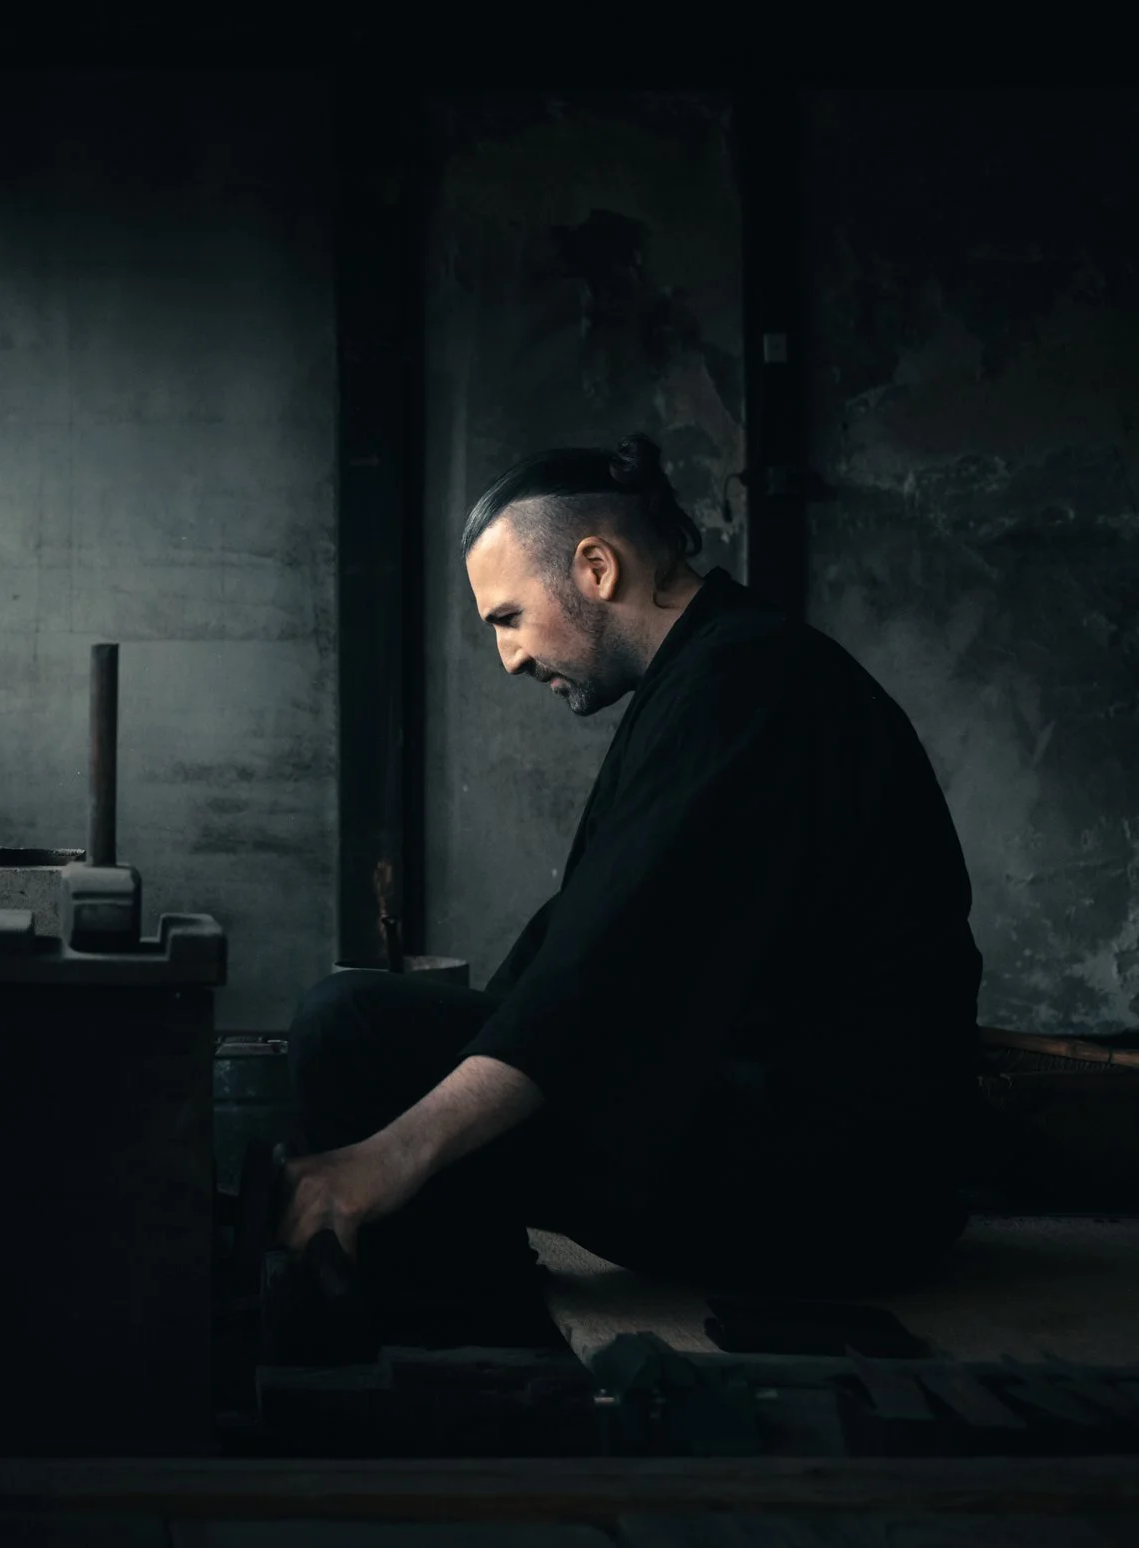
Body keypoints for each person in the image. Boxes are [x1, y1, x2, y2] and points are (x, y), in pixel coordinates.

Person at [278, 435, 983, 1311]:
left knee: (352, 1031)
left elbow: (612, 967)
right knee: (379, 1032)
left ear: (597, 567)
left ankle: (459, 1344)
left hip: (843, 1185)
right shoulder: (709, 674)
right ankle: (451, 1310)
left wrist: (395, 1153)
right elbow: (579, 941)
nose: (509, 657)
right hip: (784, 1132)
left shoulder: (748, 682)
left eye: (508, 618)